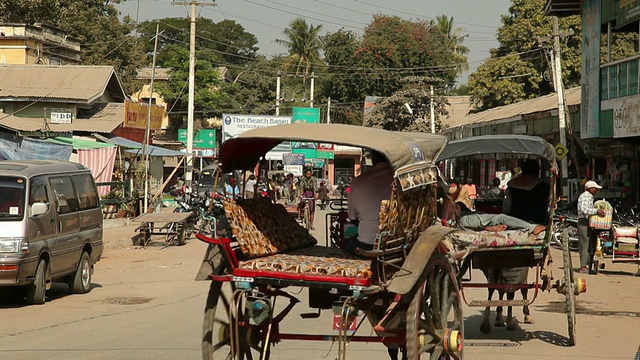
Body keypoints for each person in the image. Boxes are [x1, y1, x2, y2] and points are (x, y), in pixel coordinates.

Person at [346, 151, 394, 255]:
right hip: (396, 240)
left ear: (373, 160)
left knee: (348, 243)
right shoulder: (399, 179)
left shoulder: (358, 181)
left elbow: (352, 217)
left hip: (367, 241)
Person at [454, 196, 545, 235]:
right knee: (501, 217)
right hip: (464, 218)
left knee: (498, 218)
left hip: (464, 220)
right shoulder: (465, 218)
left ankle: (489, 227)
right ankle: (532, 227)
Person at [503, 160, 551, 225]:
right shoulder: (544, 187)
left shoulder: (512, 185)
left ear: (522, 170)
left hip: (514, 222)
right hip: (537, 225)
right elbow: (549, 206)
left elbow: (506, 207)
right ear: (537, 171)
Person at [577, 180, 606, 274]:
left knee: (589, 243)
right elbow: (584, 209)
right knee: (585, 244)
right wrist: (596, 211)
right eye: (595, 188)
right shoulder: (586, 196)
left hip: (588, 222)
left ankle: (587, 264)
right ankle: (583, 266)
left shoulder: (590, 196)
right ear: (590, 188)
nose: (596, 190)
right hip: (583, 222)